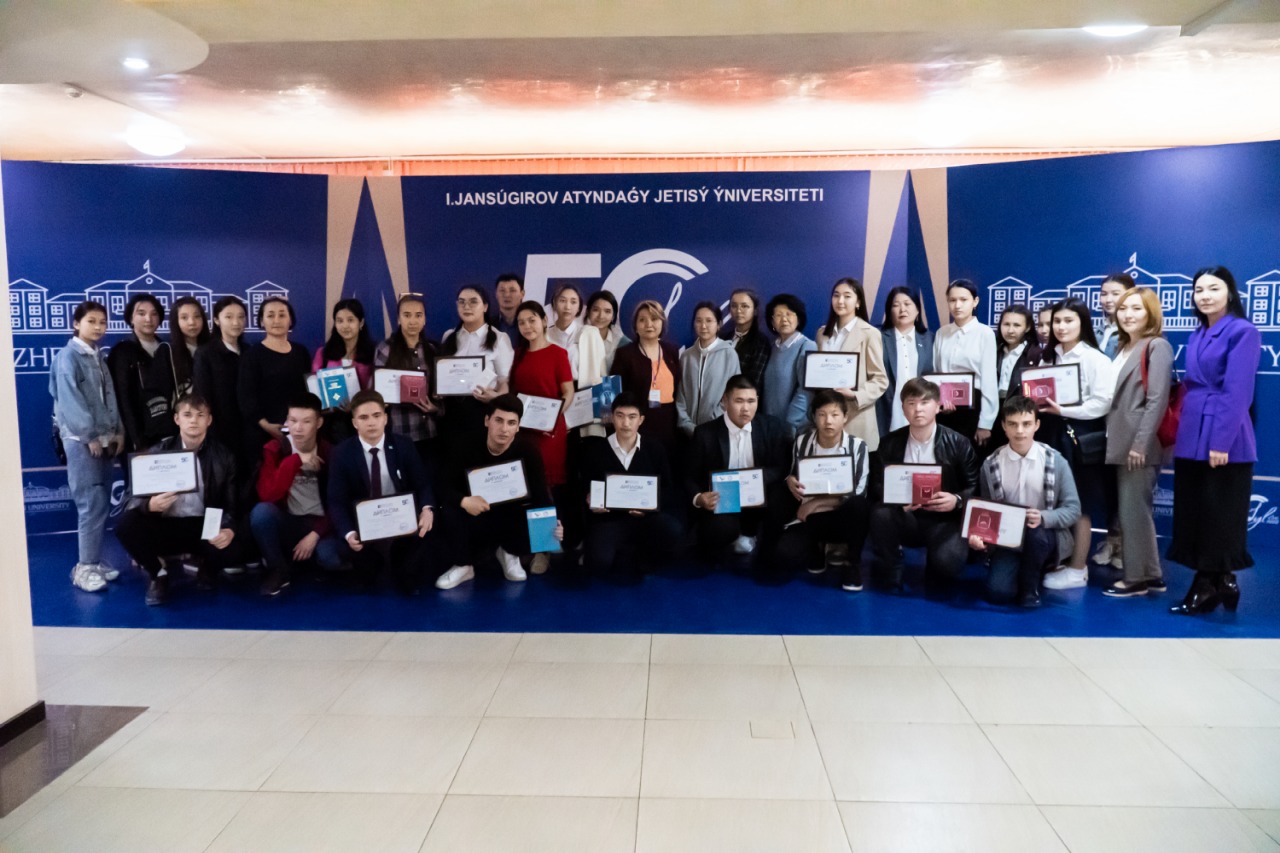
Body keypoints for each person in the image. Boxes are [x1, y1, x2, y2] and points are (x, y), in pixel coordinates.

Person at [1168, 267, 1261, 615]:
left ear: (1230, 293)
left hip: (1225, 436)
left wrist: (1221, 442)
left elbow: (1238, 393)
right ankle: (1223, 581)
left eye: (1214, 288)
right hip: (1192, 430)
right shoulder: (1198, 333)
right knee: (1196, 510)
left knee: (1219, 513)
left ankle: (1208, 583)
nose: (1205, 295)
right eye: (1199, 290)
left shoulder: (1243, 331)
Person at [115, 394, 240, 606]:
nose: (194, 421)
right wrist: (149, 505)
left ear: (209, 420)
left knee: (239, 541)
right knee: (125, 525)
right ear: (176, 419)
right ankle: (158, 574)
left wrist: (228, 529)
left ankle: (208, 568)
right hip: (165, 526)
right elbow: (128, 500)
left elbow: (232, 505)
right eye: (187, 415)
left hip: (203, 526)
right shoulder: (157, 452)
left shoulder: (224, 456)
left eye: (200, 415)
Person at [434, 394, 560, 589]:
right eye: (499, 420)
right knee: (449, 508)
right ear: (487, 421)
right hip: (476, 513)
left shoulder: (529, 451)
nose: (504, 429)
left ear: (518, 426)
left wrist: (553, 524)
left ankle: (510, 552)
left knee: (536, 509)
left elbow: (540, 493)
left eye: (511, 423)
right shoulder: (464, 446)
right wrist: (464, 501)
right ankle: (464, 565)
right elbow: (442, 485)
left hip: (512, 514)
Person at [869, 378, 979, 593]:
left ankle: (936, 561)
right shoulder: (889, 442)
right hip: (906, 516)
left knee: (948, 566)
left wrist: (956, 500)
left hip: (944, 520)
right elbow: (876, 485)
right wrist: (896, 499)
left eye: (924, 402)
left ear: (938, 406)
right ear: (903, 408)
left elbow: (976, 487)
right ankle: (894, 566)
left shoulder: (959, 443)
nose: (917, 409)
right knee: (880, 513)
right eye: (911, 403)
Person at [1036, 297, 1116, 591]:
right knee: (1052, 500)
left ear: (1083, 323)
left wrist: (1065, 410)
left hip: (1080, 437)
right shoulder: (1048, 357)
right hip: (1049, 433)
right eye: (1057, 321)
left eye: (1069, 320)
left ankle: (1078, 568)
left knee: (1079, 502)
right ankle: (1057, 560)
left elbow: (1102, 403)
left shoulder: (1096, 359)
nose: (1061, 326)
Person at [971, 395, 1082, 608]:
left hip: (1045, 535)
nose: (1019, 431)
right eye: (1013, 424)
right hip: (1008, 540)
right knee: (998, 592)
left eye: (1026, 424)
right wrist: (980, 536)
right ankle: (1021, 569)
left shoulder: (1055, 460)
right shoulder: (990, 464)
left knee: (1035, 533)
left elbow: (1073, 509)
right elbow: (986, 510)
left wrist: (1044, 517)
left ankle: (1030, 588)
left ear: (1036, 425)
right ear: (1003, 426)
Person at [327, 389, 437, 596]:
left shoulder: (404, 445)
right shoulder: (341, 453)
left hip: (402, 522)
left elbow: (422, 484)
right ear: (354, 423)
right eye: (364, 417)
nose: (371, 423)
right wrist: (349, 533)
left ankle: (402, 566)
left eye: (376, 415)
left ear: (385, 418)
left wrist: (426, 509)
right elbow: (336, 500)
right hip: (364, 526)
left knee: (411, 576)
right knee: (366, 581)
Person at [1103, 287, 1173, 598]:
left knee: (1133, 511)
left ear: (1150, 313)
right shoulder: (1123, 346)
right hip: (1119, 438)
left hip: (1138, 443)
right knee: (1136, 510)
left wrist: (1140, 444)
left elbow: (1156, 400)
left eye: (1136, 308)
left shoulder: (1157, 346)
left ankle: (1135, 579)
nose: (1128, 314)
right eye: (1123, 308)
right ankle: (1152, 575)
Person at [50, 301, 124, 593]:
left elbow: (110, 398)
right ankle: (84, 568)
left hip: (104, 440)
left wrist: (117, 431)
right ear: (76, 323)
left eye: (103, 322)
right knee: (90, 503)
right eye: (91, 321)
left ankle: (93, 560)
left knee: (101, 502)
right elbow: (69, 400)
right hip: (82, 442)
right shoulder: (67, 357)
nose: (98, 327)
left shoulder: (98, 356)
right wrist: (89, 435)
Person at [686, 375, 792, 565]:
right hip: (723, 501)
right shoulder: (705, 433)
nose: (746, 408)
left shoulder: (772, 427)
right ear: (725, 401)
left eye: (751, 401)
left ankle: (766, 550)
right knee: (717, 535)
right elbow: (689, 476)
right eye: (739, 401)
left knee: (780, 498)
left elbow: (780, 467)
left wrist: (755, 479)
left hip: (759, 497)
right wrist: (699, 498)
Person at [579, 392, 683, 577]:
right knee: (598, 564)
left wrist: (650, 508)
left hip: (645, 519)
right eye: (620, 416)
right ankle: (619, 553)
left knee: (672, 529)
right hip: (608, 520)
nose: (625, 423)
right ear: (612, 417)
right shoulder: (595, 450)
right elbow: (583, 487)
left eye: (632, 417)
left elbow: (667, 489)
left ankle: (641, 554)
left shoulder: (654, 449)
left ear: (641, 420)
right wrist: (589, 499)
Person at [776, 390, 871, 592]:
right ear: (814, 416)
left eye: (835, 415)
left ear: (845, 417)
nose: (828, 421)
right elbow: (793, 474)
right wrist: (789, 480)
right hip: (810, 518)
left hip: (841, 516)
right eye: (822, 414)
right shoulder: (802, 442)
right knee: (786, 554)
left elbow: (859, 491)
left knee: (859, 505)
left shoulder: (858, 446)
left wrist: (817, 503)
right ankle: (816, 548)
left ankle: (852, 563)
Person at [251, 393, 342, 596]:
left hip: (320, 525)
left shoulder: (331, 453)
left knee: (331, 558)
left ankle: (311, 561)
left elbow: (338, 502)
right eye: (292, 421)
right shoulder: (274, 449)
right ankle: (278, 569)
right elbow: (268, 495)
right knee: (261, 513)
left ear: (319, 423)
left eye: (306, 422)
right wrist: (295, 461)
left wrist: (315, 534)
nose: (298, 428)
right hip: (289, 521)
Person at [509, 300, 577, 567]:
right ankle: (529, 544)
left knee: (546, 490)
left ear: (544, 320)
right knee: (525, 489)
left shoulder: (558, 353)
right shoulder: (517, 355)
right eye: (521, 322)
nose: (527, 326)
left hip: (550, 432)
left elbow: (568, 392)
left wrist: (554, 416)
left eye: (532, 320)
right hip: (523, 432)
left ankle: (544, 550)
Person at [813, 277, 888, 451]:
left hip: (856, 415)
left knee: (855, 464)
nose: (840, 301)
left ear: (858, 302)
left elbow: (880, 380)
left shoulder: (870, 333)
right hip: (826, 417)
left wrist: (855, 395)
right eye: (836, 295)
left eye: (847, 296)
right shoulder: (822, 333)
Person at [438, 284, 515, 453]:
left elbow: (504, 381)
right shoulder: (449, 336)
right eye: (462, 302)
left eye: (473, 302)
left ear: (485, 307)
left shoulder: (499, 338)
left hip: (482, 410)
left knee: (477, 459)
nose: (467, 306)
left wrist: (495, 397)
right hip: (451, 413)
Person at [108, 293, 177, 454]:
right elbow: (123, 399)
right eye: (141, 313)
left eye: (154, 314)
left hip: (169, 432)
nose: (148, 319)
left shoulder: (168, 348)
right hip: (139, 436)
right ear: (131, 319)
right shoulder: (123, 351)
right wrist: (137, 440)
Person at [238, 296, 310, 451]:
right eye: (270, 315)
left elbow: (308, 391)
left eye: (282, 315)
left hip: (297, 432)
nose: (276, 320)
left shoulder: (301, 352)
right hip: (262, 433)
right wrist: (266, 425)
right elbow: (246, 397)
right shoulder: (252, 355)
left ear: (290, 320)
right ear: (262, 321)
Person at [933, 279, 998, 447]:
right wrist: (939, 403)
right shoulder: (941, 333)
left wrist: (985, 423)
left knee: (969, 456)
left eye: (963, 300)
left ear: (975, 302)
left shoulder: (985, 333)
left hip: (973, 408)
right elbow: (936, 371)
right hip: (945, 406)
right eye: (952, 300)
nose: (957, 305)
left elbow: (989, 380)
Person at [374, 293, 440, 453]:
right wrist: (382, 400)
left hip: (429, 432)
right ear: (398, 319)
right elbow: (377, 392)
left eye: (418, 315)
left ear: (424, 319)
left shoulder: (432, 350)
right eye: (407, 315)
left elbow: (439, 392)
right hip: (399, 432)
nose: (413, 321)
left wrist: (435, 407)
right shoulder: (386, 349)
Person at [612, 300, 682, 447]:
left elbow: (678, 387)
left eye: (654, 319)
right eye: (642, 320)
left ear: (662, 323)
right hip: (638, 422)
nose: (648, 324)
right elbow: (615, 393)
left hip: (668, 421)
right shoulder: (625, 354)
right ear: (635, 326)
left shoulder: (672, 351)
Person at [192, 296, 248, 469]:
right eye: (229, 317)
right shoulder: (206, 353)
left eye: (241, 317)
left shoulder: (250, 352)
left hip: (248, 431)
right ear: (217, 320)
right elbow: (202, 396)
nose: (236, 322)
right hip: (220, 432)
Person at [677, 301, 742, 436]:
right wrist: (687, 424)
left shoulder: (729, 354)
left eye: (709, 321)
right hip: (688, 433)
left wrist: (713, 422)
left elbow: (734, 393)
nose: (703, 326)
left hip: (717, 430)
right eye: (699, 321)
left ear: (719, 325)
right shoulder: (686, 356)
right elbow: (680, 394)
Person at [877, 286, 934, 436]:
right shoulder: (878, 337)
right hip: (887, 409)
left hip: (920, 408)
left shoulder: (930, 339)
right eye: (896, 305)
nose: (902, 309)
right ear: (889, 311)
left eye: (907, 304)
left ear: (917, 310)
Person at [762, 293, 817, 437]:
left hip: (793, 428)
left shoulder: (807, 346)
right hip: (769, 425)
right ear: (772, 321)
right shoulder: (771, 347)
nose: (784, 319)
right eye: (778, 315)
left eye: (789, 314)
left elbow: (806, 391)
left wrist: (790, 423)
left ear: (798, 318)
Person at [990, 304, 1042, 449]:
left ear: (1027, 327)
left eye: (1017, 325)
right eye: (1006, 324)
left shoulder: (1035, 355)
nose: (1010, 330)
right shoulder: (993, 351)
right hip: (994, 414)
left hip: (1020, 416)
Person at [721, 289, 771, 395]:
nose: (738, 310)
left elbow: (754, 382)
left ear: (755, 310)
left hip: (741, 400)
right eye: (734, 306)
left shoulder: (761, 342)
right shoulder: (724, 338)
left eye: (744, 306)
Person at [578, 290, 631, 385]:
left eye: (607, 311)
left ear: (613, 316)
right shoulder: (578, 338)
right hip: (583, 391)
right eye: (596, 310)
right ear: (588, 312)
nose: (601, 316)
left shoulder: (622, 343)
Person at [168, 296, 211, 399]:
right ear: (175, 321)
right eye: (184, 318)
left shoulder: (213, 350)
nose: (192, 322)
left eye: (197, 316)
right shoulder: (169, 353)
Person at [546, 283, 585, 382]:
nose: (567, 307)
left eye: (573, 302)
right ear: (554, 304)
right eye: (562, 301)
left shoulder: (586, 334)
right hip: (550, 388)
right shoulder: (544, 335)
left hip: (580, 388)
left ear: (579, 307)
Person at [1096, 274, 1133, 358]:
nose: (1108, 300)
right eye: (1104, 294)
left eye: (1115, 294)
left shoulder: (1133, 333)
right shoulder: (1098, 331)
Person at [493, 273, 525, 346]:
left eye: (512, 290)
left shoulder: (530, 324)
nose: (507, 295)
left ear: (522, 294)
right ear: (496, 294)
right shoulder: (487, 324)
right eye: (502, 290)